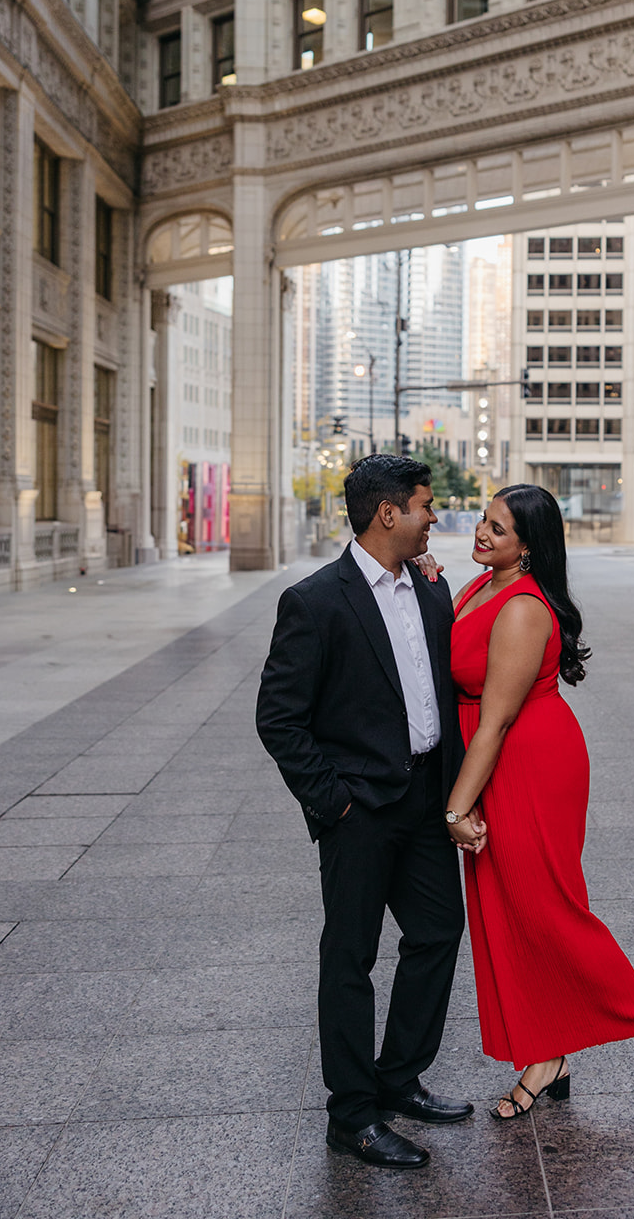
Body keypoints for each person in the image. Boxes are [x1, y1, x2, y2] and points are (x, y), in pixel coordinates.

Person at [444, 483, 634, 1118]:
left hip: (527, 759)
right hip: (494, 755)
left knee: (549, 910)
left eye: (498, 529)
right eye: (483, 520)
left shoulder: (524, 609)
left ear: (527, 547)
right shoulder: (481, 586)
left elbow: (499, 718)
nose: (481, 533)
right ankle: (546, 1052)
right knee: (507, 909)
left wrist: (455, 808)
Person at [256, 454, 475, 1170]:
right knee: (349, 957)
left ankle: (398, 1077)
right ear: (387, 513)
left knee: (439, 930)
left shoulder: (431, 589)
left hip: (423, 801)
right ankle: (350, 1114)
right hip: (359, 810)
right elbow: (279, 718)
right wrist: (335, 803)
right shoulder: (315, 601)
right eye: (423, 505)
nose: (432, 517)